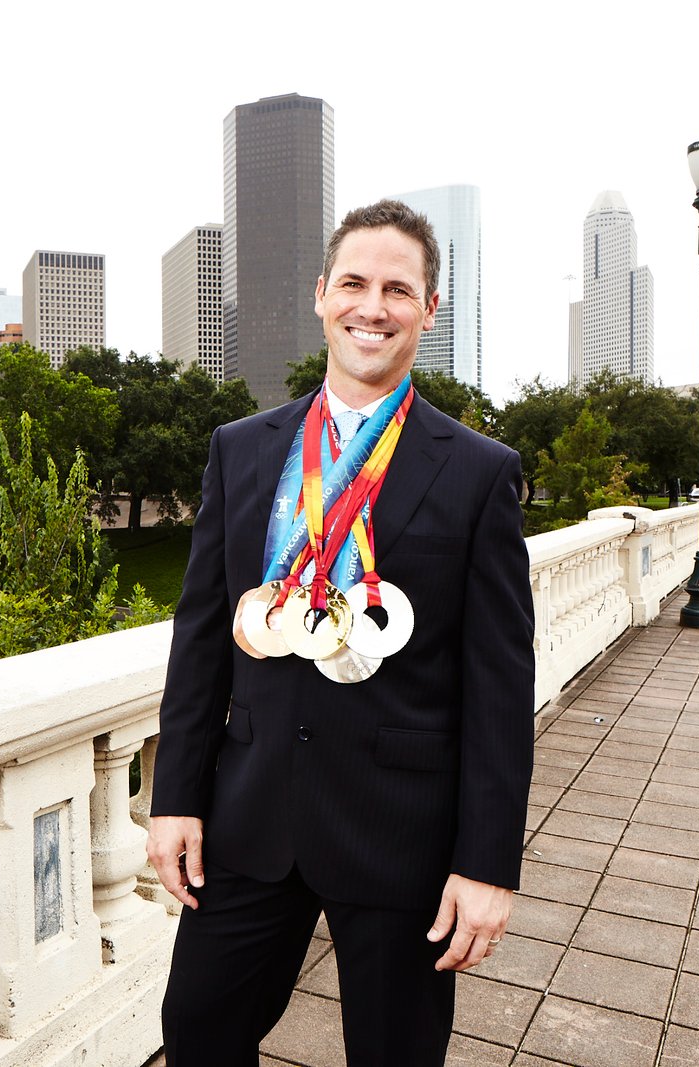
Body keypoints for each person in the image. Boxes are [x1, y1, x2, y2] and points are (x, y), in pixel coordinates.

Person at [147, 199, 535, 1066]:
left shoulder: (478, 473)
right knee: (198, 1031)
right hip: (250, 820)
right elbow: (203, 635)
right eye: (354, 282)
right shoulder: (241, 450)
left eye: (399, 289)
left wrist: (487, 864)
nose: (373, 305)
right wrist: (175, 795)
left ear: (429, 309)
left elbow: (501, 688)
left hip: (401, 836)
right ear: (323, 295)